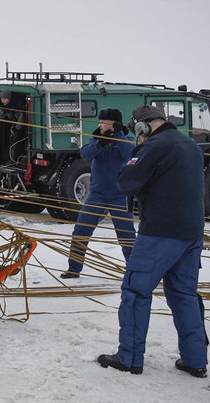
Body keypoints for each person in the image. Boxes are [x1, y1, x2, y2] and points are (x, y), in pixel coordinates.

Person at [98, 104, 208, 377]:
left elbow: (126, 181)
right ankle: (195, 360)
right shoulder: (190, 144)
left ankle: (130, 358)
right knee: (184, 295)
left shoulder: (154, 146)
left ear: (142, 126)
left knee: (135, 292)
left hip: (160, 232)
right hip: (192, 232)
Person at [61, 108, 136, 279]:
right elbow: (85, 154)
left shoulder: (127, 140)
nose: (100, 125)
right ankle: (74, 268)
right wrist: (100, 142)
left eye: (103, 122)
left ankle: (133, 272)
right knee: (80, 231)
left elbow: (128, 153)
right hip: (96, 196)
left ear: (114, 124)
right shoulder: (96, 139)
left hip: (119, 196)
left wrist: (117, 135)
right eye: (99, 122)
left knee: (127, 236)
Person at [0, 90, 26, 164]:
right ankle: (7, 159)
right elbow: (1, 111)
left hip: (19, 128)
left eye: (5, 99)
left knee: (15, 144)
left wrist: (16, 129)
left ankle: (13, 160)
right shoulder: (3, 105)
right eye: (2, 99)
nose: (3, 101)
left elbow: (21, 119)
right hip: (12, 125)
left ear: (10, 99)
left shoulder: (17, 107)